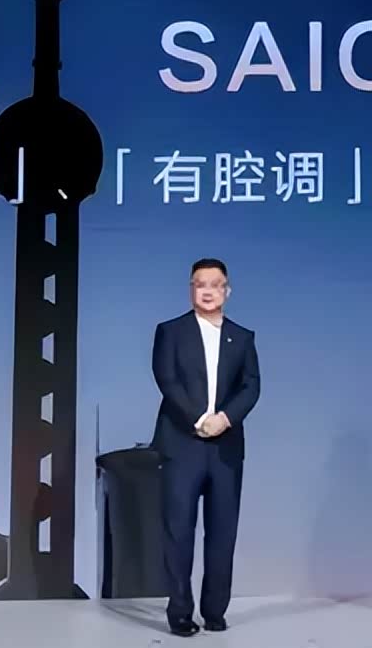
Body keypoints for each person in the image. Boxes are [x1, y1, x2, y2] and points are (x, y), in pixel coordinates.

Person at [151, 258, 261, 636]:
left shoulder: (242, 337)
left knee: (222, 533)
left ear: (227, 291)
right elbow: (166, 379)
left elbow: (251, 386)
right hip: (182, 443)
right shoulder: (170, 331)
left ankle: (215, 611)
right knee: (178, 532)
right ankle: (180, 612)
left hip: (226, 448)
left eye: (216, 284)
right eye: (200, 284)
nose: (208, 291)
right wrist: (200, 419)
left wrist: (225, 419)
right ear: (191, 289)